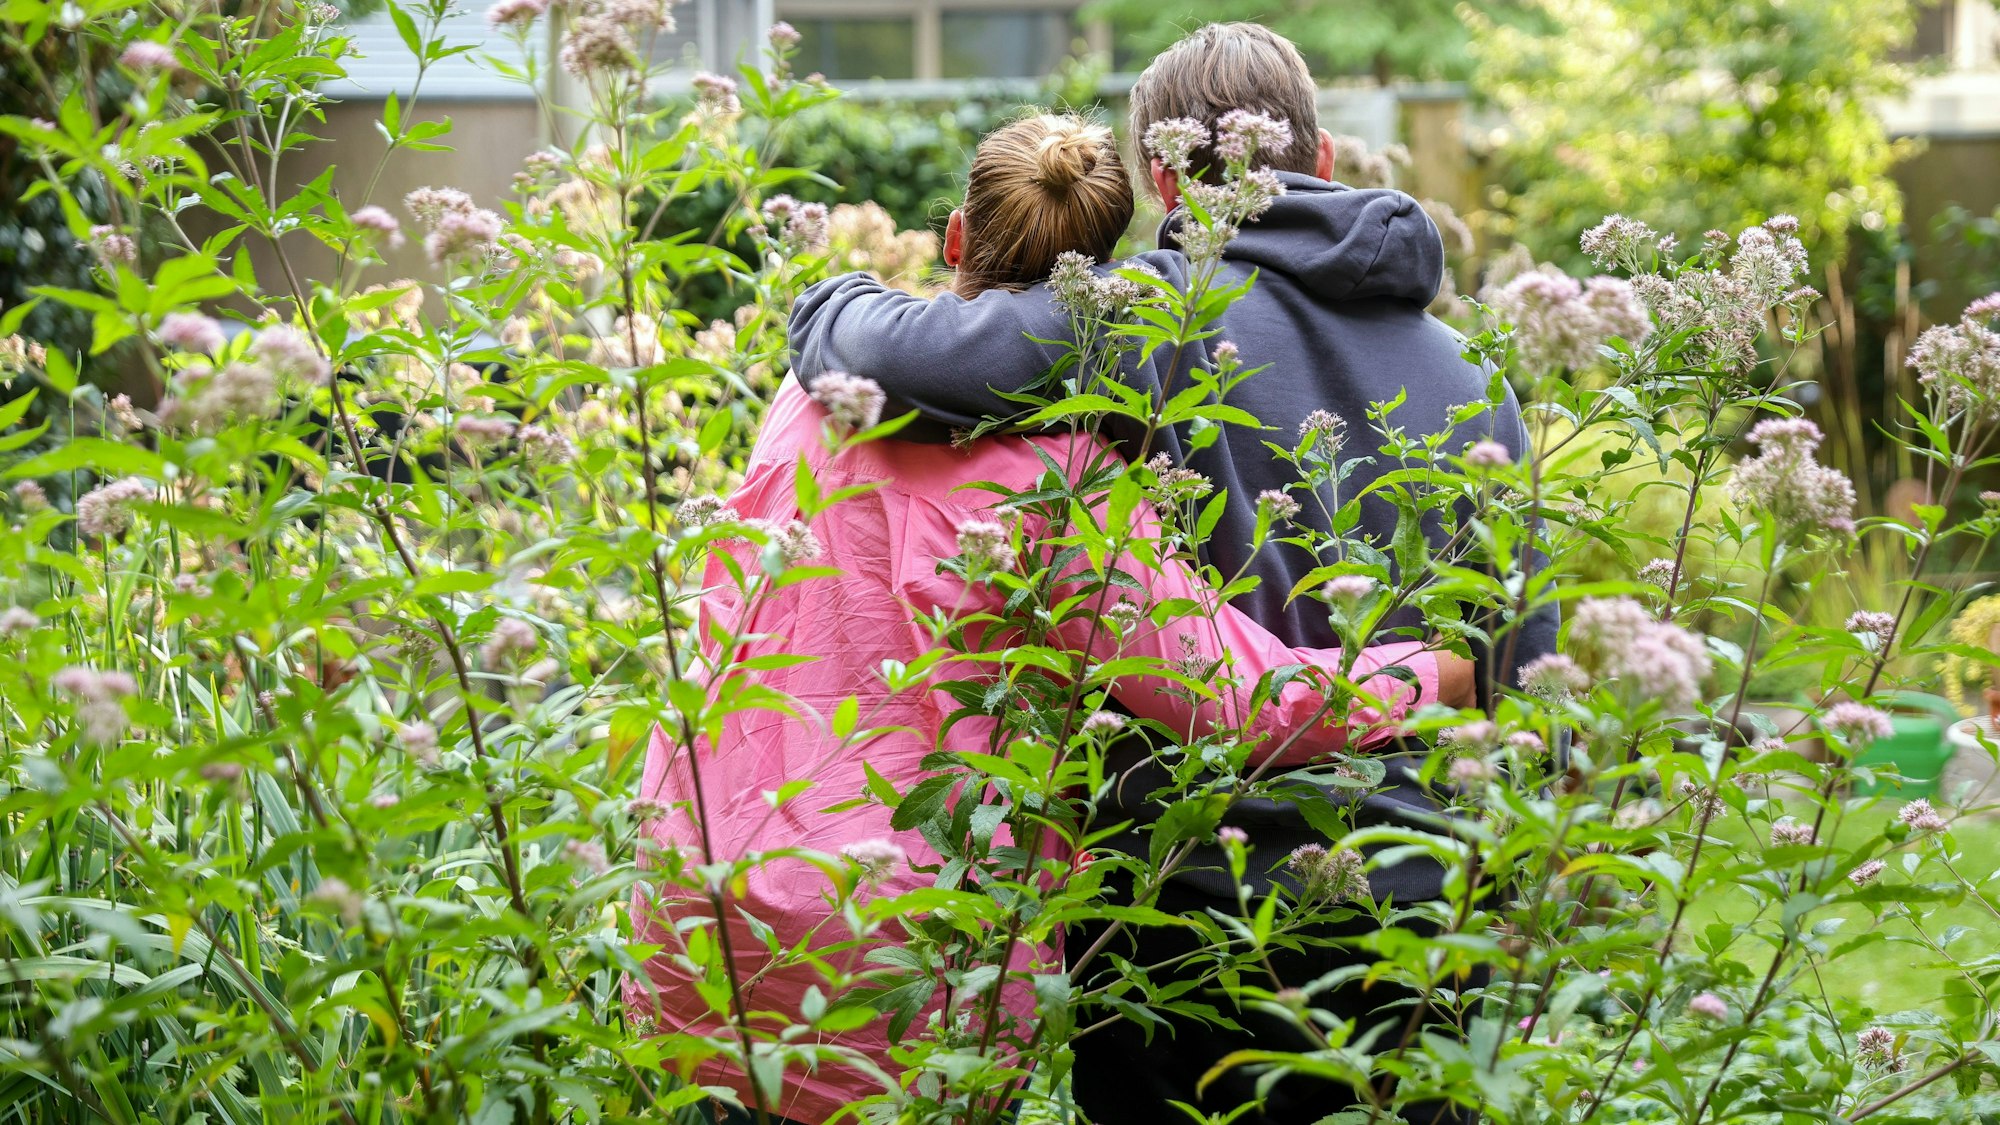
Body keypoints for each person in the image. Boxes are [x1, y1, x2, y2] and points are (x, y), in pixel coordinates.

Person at [624, 112, 1476, 1125]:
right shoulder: (1063, 489)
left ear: (953, 238)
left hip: (710, 896)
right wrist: (1433, 671)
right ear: (1108, 282)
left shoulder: (808, 399)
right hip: (904, 951)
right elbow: (1232, 698)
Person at [788, 25, 1557, 1125]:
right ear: (1327, 155)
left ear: (1157, 178)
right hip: (1423, 912)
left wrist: (823, 303)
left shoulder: (1144, 315)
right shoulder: (1474, 377)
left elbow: (893, 363)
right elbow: (1527, 663)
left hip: (1187, 922)